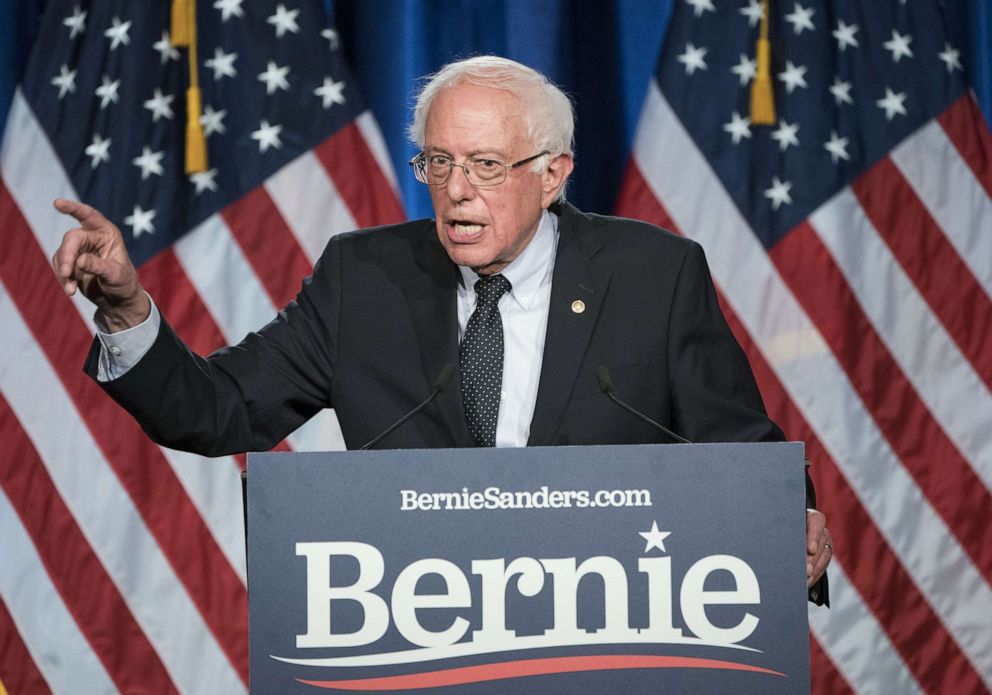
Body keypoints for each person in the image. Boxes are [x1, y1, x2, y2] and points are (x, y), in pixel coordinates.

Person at [51, 56, 831, 601]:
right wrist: (124, 307)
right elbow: (217, 410)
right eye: (437, 163)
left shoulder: (653, 276)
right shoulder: (364, 279)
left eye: (487, 166)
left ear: (552, 172)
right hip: (418, 647)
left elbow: (741, 447)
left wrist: (788, 518)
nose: (456, 191)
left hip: (607, 641)